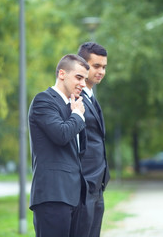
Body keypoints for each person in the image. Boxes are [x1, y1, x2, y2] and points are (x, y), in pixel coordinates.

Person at [28, 54, 90, 237]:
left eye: (85, 79)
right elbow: (61, 135)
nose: (83, 84)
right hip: (52, 195)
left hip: (74, 195)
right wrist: (78, 115)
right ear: (62, 74)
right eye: (79, 77)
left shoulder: (72, 106)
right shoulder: (43, 101)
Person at [74, 42, 110, 237]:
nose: (101, 71)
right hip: (84, 183)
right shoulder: (74, 98)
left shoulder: (91, 97)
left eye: (104, 67)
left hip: (98, 182)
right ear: (82, 66)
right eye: (96, 66)